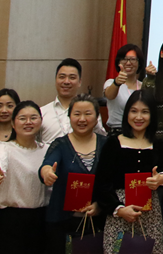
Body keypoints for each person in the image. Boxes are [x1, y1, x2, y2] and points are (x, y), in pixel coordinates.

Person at [95, 91, 163, 254]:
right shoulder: (113, 143)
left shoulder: (158, 144)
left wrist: (161, 178)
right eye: (134, 111)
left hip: (150, 214)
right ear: (127, 113)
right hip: (119, 212)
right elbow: (102, 184)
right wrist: (120, 209)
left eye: (145, 112)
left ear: (152, 115)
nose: (139, 117)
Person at [39, 94, 105, 254]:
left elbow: (113, 179)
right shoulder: (60, 144)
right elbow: (48, 164)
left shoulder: (106, 144)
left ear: (97, 117)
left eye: (88, 114)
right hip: (61, 224)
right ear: (69, 117)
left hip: (97, 223)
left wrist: (101, 205)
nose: (82, 119)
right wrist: (47, 172)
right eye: (77, 114)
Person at [0, 100, 49, 254]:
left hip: (40, 219)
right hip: (8, 221)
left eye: (33, 118)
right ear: (13, 123)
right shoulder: (3, 147)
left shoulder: (47, 149)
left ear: (41, 121)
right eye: (22, 118)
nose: (28, 122)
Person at [40, 59, 107, 144]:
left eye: (72, 77)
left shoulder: (90, 111)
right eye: (62, 77)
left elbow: (101, 139)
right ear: (55, 80)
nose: (66, 82)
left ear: (80, 82)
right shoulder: (42, 112)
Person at [104, 44, 145, 135]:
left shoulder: (143, 86)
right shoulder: (111, 83)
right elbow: (109, 95)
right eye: (124, 59)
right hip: (117, 132)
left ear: (139, 63)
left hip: (139, 133)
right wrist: (117, 83)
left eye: (133, 59)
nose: (128, 63)